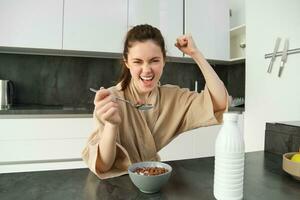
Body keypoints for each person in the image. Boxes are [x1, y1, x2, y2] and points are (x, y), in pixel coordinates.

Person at [82, 24, 228, 179]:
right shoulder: (110, 101)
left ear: (164, 60)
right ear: (127, 62)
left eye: (154, 61)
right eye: (137, 61)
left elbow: (219, 102)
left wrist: (195, 54)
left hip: (153, 179)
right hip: (116, 185)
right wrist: (111, 124)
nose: (146, 70)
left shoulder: (173, 98)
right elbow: (103, 166)